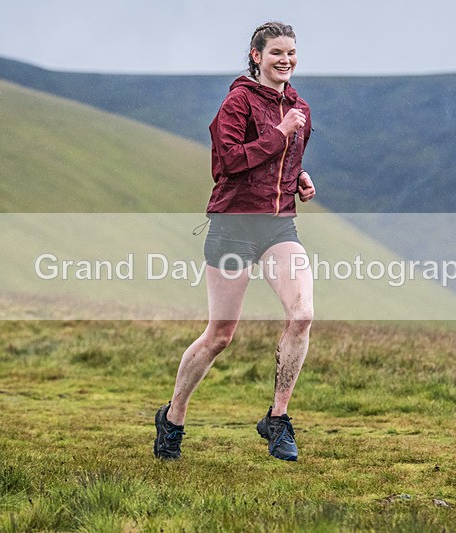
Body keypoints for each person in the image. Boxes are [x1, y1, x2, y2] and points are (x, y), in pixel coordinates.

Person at [154, 21, 316, 461]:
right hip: (233, 225)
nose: (285, 60)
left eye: (291, 53)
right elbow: (226, 163)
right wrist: (278, 134)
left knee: (302, 315)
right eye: (276, 52)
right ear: (256, 55)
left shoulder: (298, 104)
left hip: (279, 224)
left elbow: (286, 159)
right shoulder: (238, 101)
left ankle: (277, 419)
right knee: (220, 335)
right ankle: (172, 419)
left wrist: (299, 177)